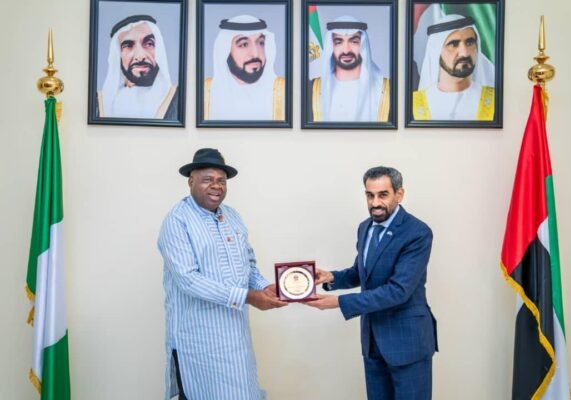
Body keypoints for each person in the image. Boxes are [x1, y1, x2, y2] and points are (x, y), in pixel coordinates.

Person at [158, 148, 287, 400]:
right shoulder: (177, 221)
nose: (216, 186)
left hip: (235, 337)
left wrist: (264, 287)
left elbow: (248, 263)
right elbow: (188, 280)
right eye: (207, 179)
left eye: (221, 181)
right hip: (198, 341)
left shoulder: (233, 217)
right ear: (190, 181)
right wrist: (248, 297)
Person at [306, 166, 438, 400]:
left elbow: (398, 291)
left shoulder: (417, 232)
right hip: (373, 341)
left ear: (399, 194)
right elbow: (361, 273)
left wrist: (339, 302)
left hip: (407, 342)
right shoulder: (365, 227)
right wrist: (331, 278)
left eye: (383, 195)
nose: (375, 203)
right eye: (370, 195)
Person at [413, 14, 495, 121]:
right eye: (454, 44)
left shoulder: (495, 101)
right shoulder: (415, 105)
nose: (464, 53)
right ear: (436, 52)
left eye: (470, 43)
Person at [308, 16, 390, 122]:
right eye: (339, 42)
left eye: (354, 41)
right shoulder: (312, 90)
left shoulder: (387, 90)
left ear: (363, 45)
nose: (346, 50)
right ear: (331, 46)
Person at [204, 15, 285, 120]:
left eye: (261, 43)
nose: (255, 54)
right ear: (225, 51)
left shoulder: (284, 92)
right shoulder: (204, 94)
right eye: (243, 44)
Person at [98, 15, 179, 119]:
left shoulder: (177, 98)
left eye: (149, 44)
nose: (140, 56)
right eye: (128, 46)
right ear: (118, 55)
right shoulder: (100, 104)